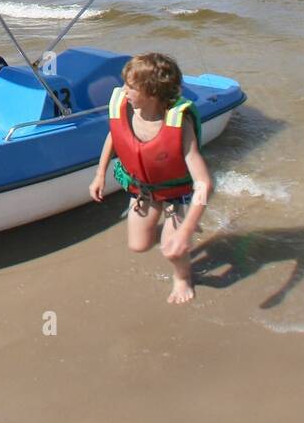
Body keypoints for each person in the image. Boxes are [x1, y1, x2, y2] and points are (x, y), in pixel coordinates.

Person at [87, 52, 217, 305]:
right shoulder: (126, 110)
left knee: (172, 248)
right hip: (143, 190)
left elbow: (204, 183)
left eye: (131, 87)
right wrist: (100, 174)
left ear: (152, 92)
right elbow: (115, 135)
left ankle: (183, 277)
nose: (123, 91)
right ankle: (173, 230)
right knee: (138, 245)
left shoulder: (180, 125)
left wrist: (185, 230)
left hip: (174, 193)